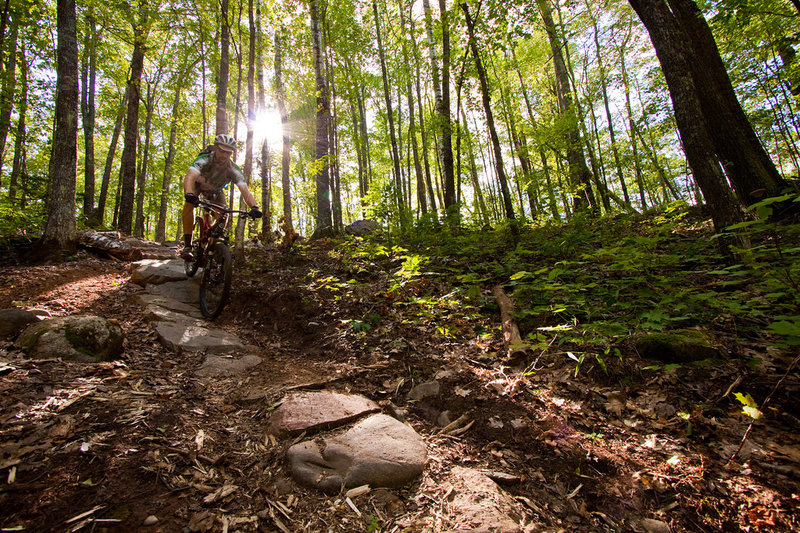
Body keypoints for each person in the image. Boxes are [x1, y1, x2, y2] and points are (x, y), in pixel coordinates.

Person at [179, 134, 262, 260]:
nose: (224, 155)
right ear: (215, 148)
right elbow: (190, 175)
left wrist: (254, 207)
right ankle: (187, 246)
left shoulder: (233, 169)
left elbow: (245, 190)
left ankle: (212, 244)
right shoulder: (205, 159)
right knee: (189, 205)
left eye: (228, 153)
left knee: (223, 215)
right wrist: (189, 193)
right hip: (198, 185)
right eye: (221, 151)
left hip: (216, 191)